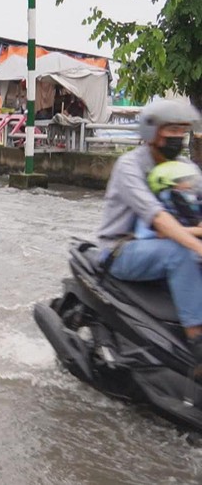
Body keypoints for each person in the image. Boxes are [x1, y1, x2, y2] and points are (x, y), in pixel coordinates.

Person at [97, 99, 202, 360]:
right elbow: (158, 218)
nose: (178, 138)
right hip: (121, 248)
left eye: (181, 131)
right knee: (180, 253)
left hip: (166, 242)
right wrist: (198, 245)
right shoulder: (130, 166)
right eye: (171, 131)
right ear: (152, 132)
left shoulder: (186, 168)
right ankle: (196, 342)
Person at [133, 161, 202, 240]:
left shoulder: (187, 199)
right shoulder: (166, 201)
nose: (189, 184)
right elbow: (162, 233)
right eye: (183, 180)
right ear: (167, 183)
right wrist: (197, 230)